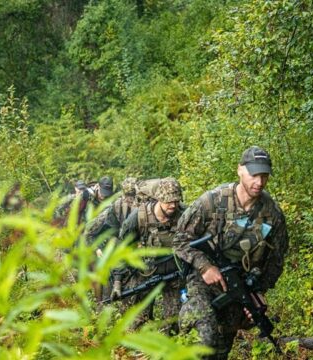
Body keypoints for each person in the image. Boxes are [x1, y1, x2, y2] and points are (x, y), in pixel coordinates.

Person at [173, 146, 288, 359]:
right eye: (254, 175)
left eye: (264, 176)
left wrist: (258, 292)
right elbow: (180, 240)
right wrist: (205, 266)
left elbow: (276, 260)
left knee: (221, 350)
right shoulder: (212, 202)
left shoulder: (272, 214)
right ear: (240, 170)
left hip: (238, 284)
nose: (259, 182)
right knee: (204, 338)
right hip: (203, 281)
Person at [115, 177, 185, 334]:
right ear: (159, 198)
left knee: (173, 323)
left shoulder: (185, 215)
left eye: (176, 201)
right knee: (138, 321)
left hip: (174, 276)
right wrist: (118, 281)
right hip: (145, 274)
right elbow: (123, 248)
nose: (173, 205)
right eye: (168, 201)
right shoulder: (139, 217)